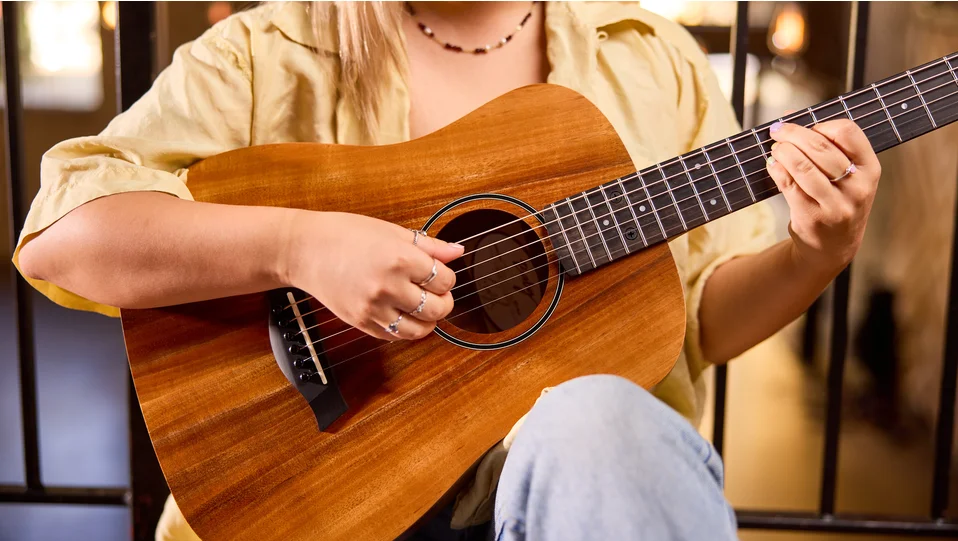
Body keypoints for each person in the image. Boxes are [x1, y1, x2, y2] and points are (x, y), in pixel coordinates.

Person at [13, 2, 881, 540]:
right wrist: (297, 246)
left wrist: (819, 251)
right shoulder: (264, 52)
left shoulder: (652, 60)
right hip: (321, 507)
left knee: (601, 419)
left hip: (582, 505)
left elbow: (698, 320)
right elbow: (60, 236)